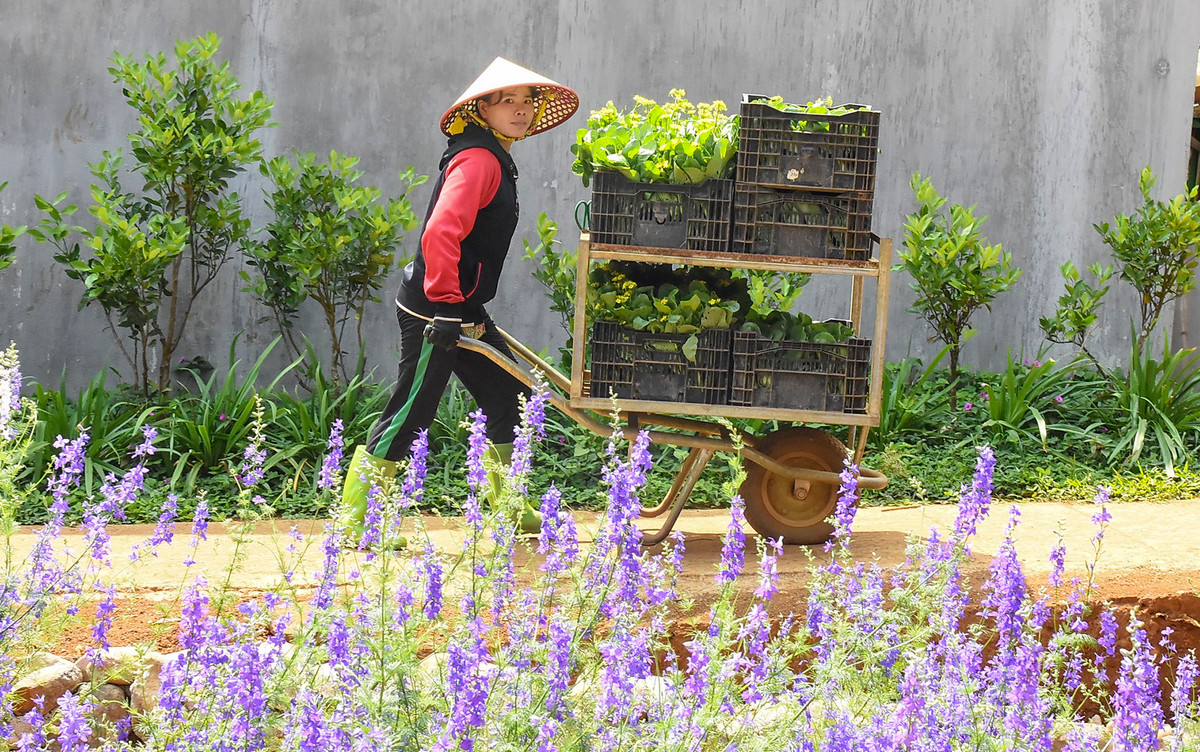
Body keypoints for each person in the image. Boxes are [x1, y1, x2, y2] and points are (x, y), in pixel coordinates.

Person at [339, 58, 579, 544]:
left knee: (510, 396)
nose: (521, 109)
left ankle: (508, 507)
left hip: (461, 307)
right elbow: (442, 232)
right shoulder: (479, 160)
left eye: (527, 100)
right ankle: (357, 520)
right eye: (506, 101)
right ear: (481, 111)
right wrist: (447, 306)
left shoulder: (494, 156)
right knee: (412, 407)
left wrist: (460, 306)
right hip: (436, 307)